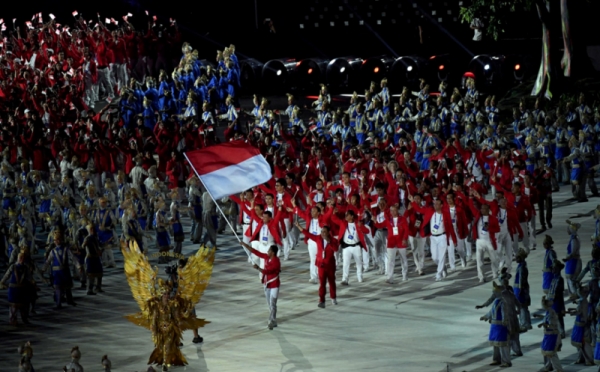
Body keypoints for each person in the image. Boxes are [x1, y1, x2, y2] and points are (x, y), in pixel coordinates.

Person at [296, 222, 338, 308]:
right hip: (321, 265)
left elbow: (336, 249)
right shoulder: (318, 238)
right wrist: (299, 227)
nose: (322, 233)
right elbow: (308, 234)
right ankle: (321, 300)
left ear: (328, 232)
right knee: (322, 283)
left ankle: (333, 297)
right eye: (322, 231)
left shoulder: (334, 240)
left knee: (331, 282)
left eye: (324, 232)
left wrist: (329, 241)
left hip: (330, 265)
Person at [240, 242, 281, 330]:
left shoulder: (276, 262)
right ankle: (273, 319)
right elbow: (256, 252)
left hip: (274, 284)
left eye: (269, 250)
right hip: (266, 284)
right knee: (269, 304)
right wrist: (245, 245)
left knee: (273, 303)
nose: (267, 251)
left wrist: (258, 268)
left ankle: (271, 320)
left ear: (273, 253)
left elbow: (268, 271)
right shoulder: (267, 257)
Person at [41, 230, 82, 308]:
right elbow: (48, 261)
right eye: (56, 240)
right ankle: (58, 303)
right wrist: (43, 269)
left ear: (61, 240)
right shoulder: (52, 251)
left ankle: (69, 300)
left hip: (65, 271)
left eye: (58, 240)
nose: (57, 241)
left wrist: (79, 266)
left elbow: (73, 258)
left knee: (68, 287)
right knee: (58, 288)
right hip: (57, 273)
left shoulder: (66, 249)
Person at [479, 281, 511, 368]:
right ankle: (496, 359)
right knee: (495, 344)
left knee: (503, 345)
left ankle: (506, 361)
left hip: (500, 326)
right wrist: (485, 317)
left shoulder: (503, 302)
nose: (493, 293)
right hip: (494, 326)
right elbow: (491, 312)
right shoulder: (496, 301)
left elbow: (504, 313)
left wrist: (505, 322)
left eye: (495, 292)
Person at [539, 296, 563, 372]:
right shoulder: (549, 311)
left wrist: (543, 324)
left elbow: (551, 324)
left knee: (552, 353)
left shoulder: (550, 312)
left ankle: (558, 369)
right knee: (547, 352)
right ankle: (549, 366)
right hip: (549, 335)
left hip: (552, 335)